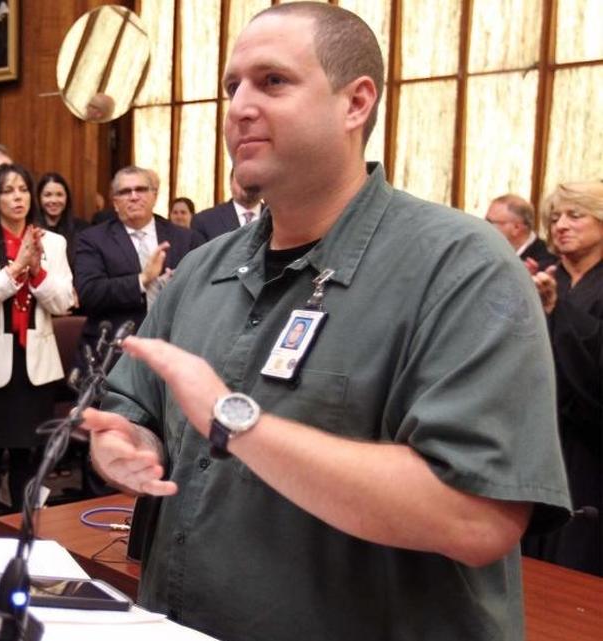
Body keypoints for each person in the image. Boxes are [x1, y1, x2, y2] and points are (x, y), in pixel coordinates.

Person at [79, 4, 571, 639]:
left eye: (273, 82)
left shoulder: (460, 267)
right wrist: (125, 445)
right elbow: (131, 409)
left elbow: (476, 519)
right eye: (232, 87)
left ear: (355, 103)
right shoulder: (202, 272)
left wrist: (236, 420)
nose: (239, 106)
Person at [0, 163, 74, 531]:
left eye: (23, 189)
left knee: (28, 454)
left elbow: (63, 302)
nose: (18, 197)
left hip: (35, 360)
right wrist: (14, 269)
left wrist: (36, 271)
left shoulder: (53, 243)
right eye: (8, 191)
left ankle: (23, 530)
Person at [523, 181, 603, 576]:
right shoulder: (548, 278)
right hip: (540, 441)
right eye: (554, 218)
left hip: (588, 449)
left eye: (576, 215)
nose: (561, 225)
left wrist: (560, 312)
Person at [73, 166, 198, 360]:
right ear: (115, 202)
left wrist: (177, 285)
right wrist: (142, 280)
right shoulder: (93, 239)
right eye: (125, 192)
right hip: (113, 352)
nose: (133, 196)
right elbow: (89, 292)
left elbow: (201, 290)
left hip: (172, 349)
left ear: (154, 196)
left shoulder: (185, 238)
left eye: (141, 189)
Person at [485, 193, 558, 270]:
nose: (485, 226)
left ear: (516, 228)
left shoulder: (546, 263)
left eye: (490, 222)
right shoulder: (488, 252)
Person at [191, 168, 262, 242]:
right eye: (242, 178)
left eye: (254, 179)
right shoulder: (204, 221)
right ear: (230, 183)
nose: (248, 184)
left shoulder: (273, 217)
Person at [34, 172, 87, 269]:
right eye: (48, 195)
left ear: (67, 198)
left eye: (59, 195)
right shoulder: (31, 229)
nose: (54, 200)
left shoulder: (82, 229)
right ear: (39, 198)